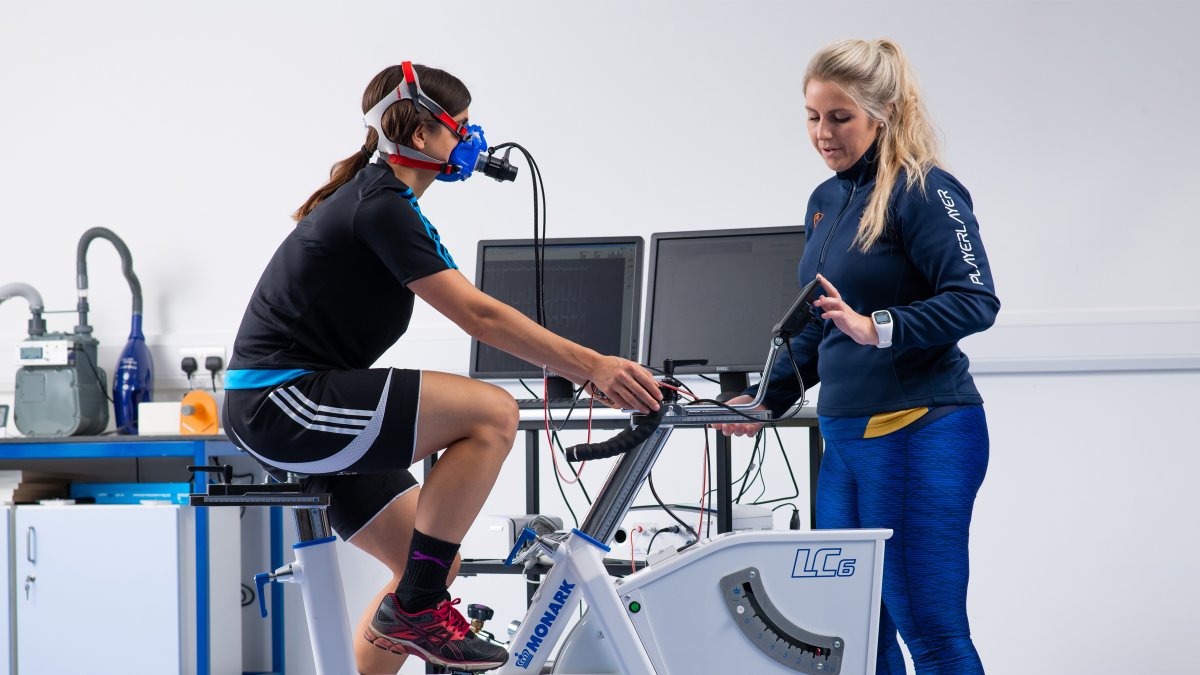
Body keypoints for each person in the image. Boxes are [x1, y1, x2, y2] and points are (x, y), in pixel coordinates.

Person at [222, 62, 661, 673]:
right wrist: (593, 367)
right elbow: (478, 316)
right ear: (422, 136)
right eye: (461, 127)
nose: (471, 141)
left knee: (425, 561)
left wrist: (584, 367)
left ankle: (416, 604)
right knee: (492, 413)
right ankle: (419, 609)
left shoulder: (389, 202)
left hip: (294, 402)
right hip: (280, 402)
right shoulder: (379, 205)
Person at [716, 39, 998, 674]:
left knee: (930, 628)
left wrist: (882, 326)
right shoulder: (826, 201)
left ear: (885, 112)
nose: (822, 132)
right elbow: (822, 323)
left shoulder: (926, 190)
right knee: (852, 630)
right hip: (844, 438)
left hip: (919, 429)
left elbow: (976, 301)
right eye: (813, 116)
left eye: (839, 117)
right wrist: (768, 400)